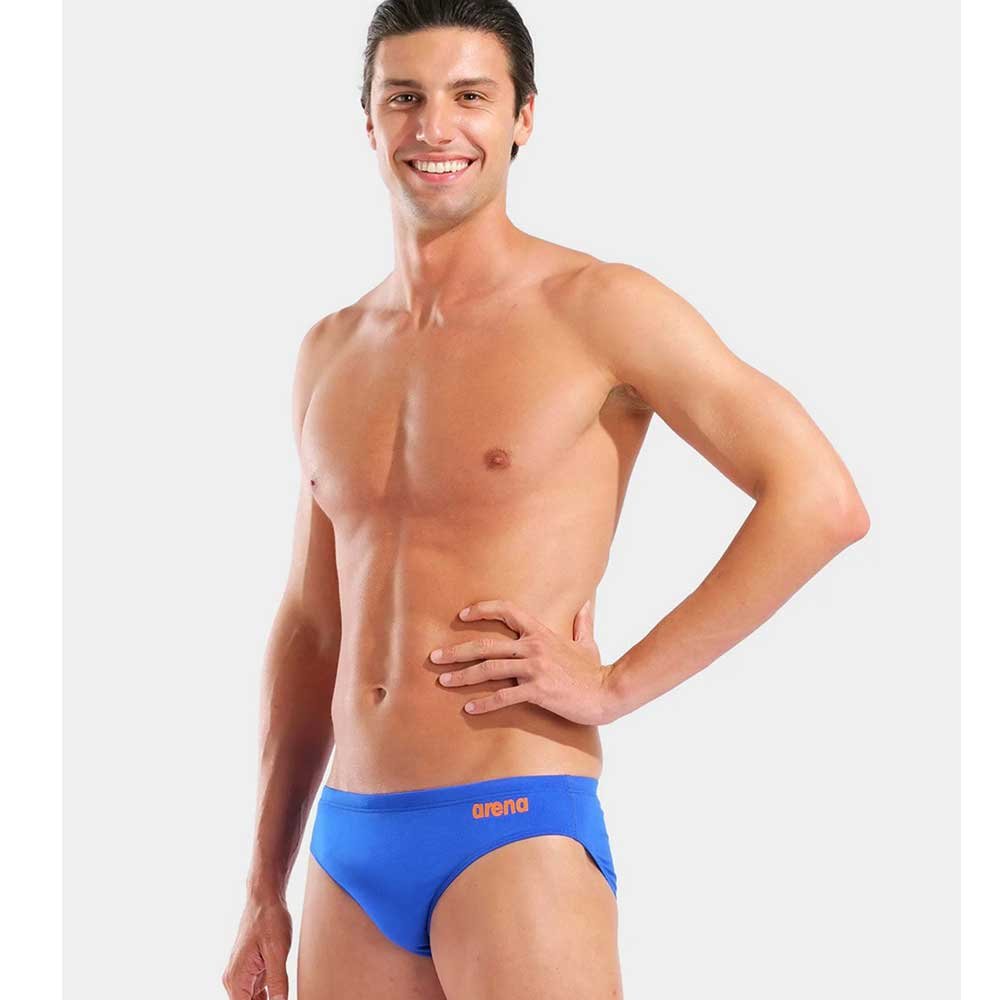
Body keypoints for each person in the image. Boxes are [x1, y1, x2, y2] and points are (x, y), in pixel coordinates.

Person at [222, 1, 870, 997]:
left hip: (510, 823)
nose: (436, 127)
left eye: (469, 97)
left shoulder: (597, 308)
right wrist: (263, 883)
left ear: (523, 116)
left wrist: (616, 684)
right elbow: (315, 624)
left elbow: (819, 499)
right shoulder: (330, 349)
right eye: (406, 98)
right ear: (369, 121)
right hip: (347, 844)